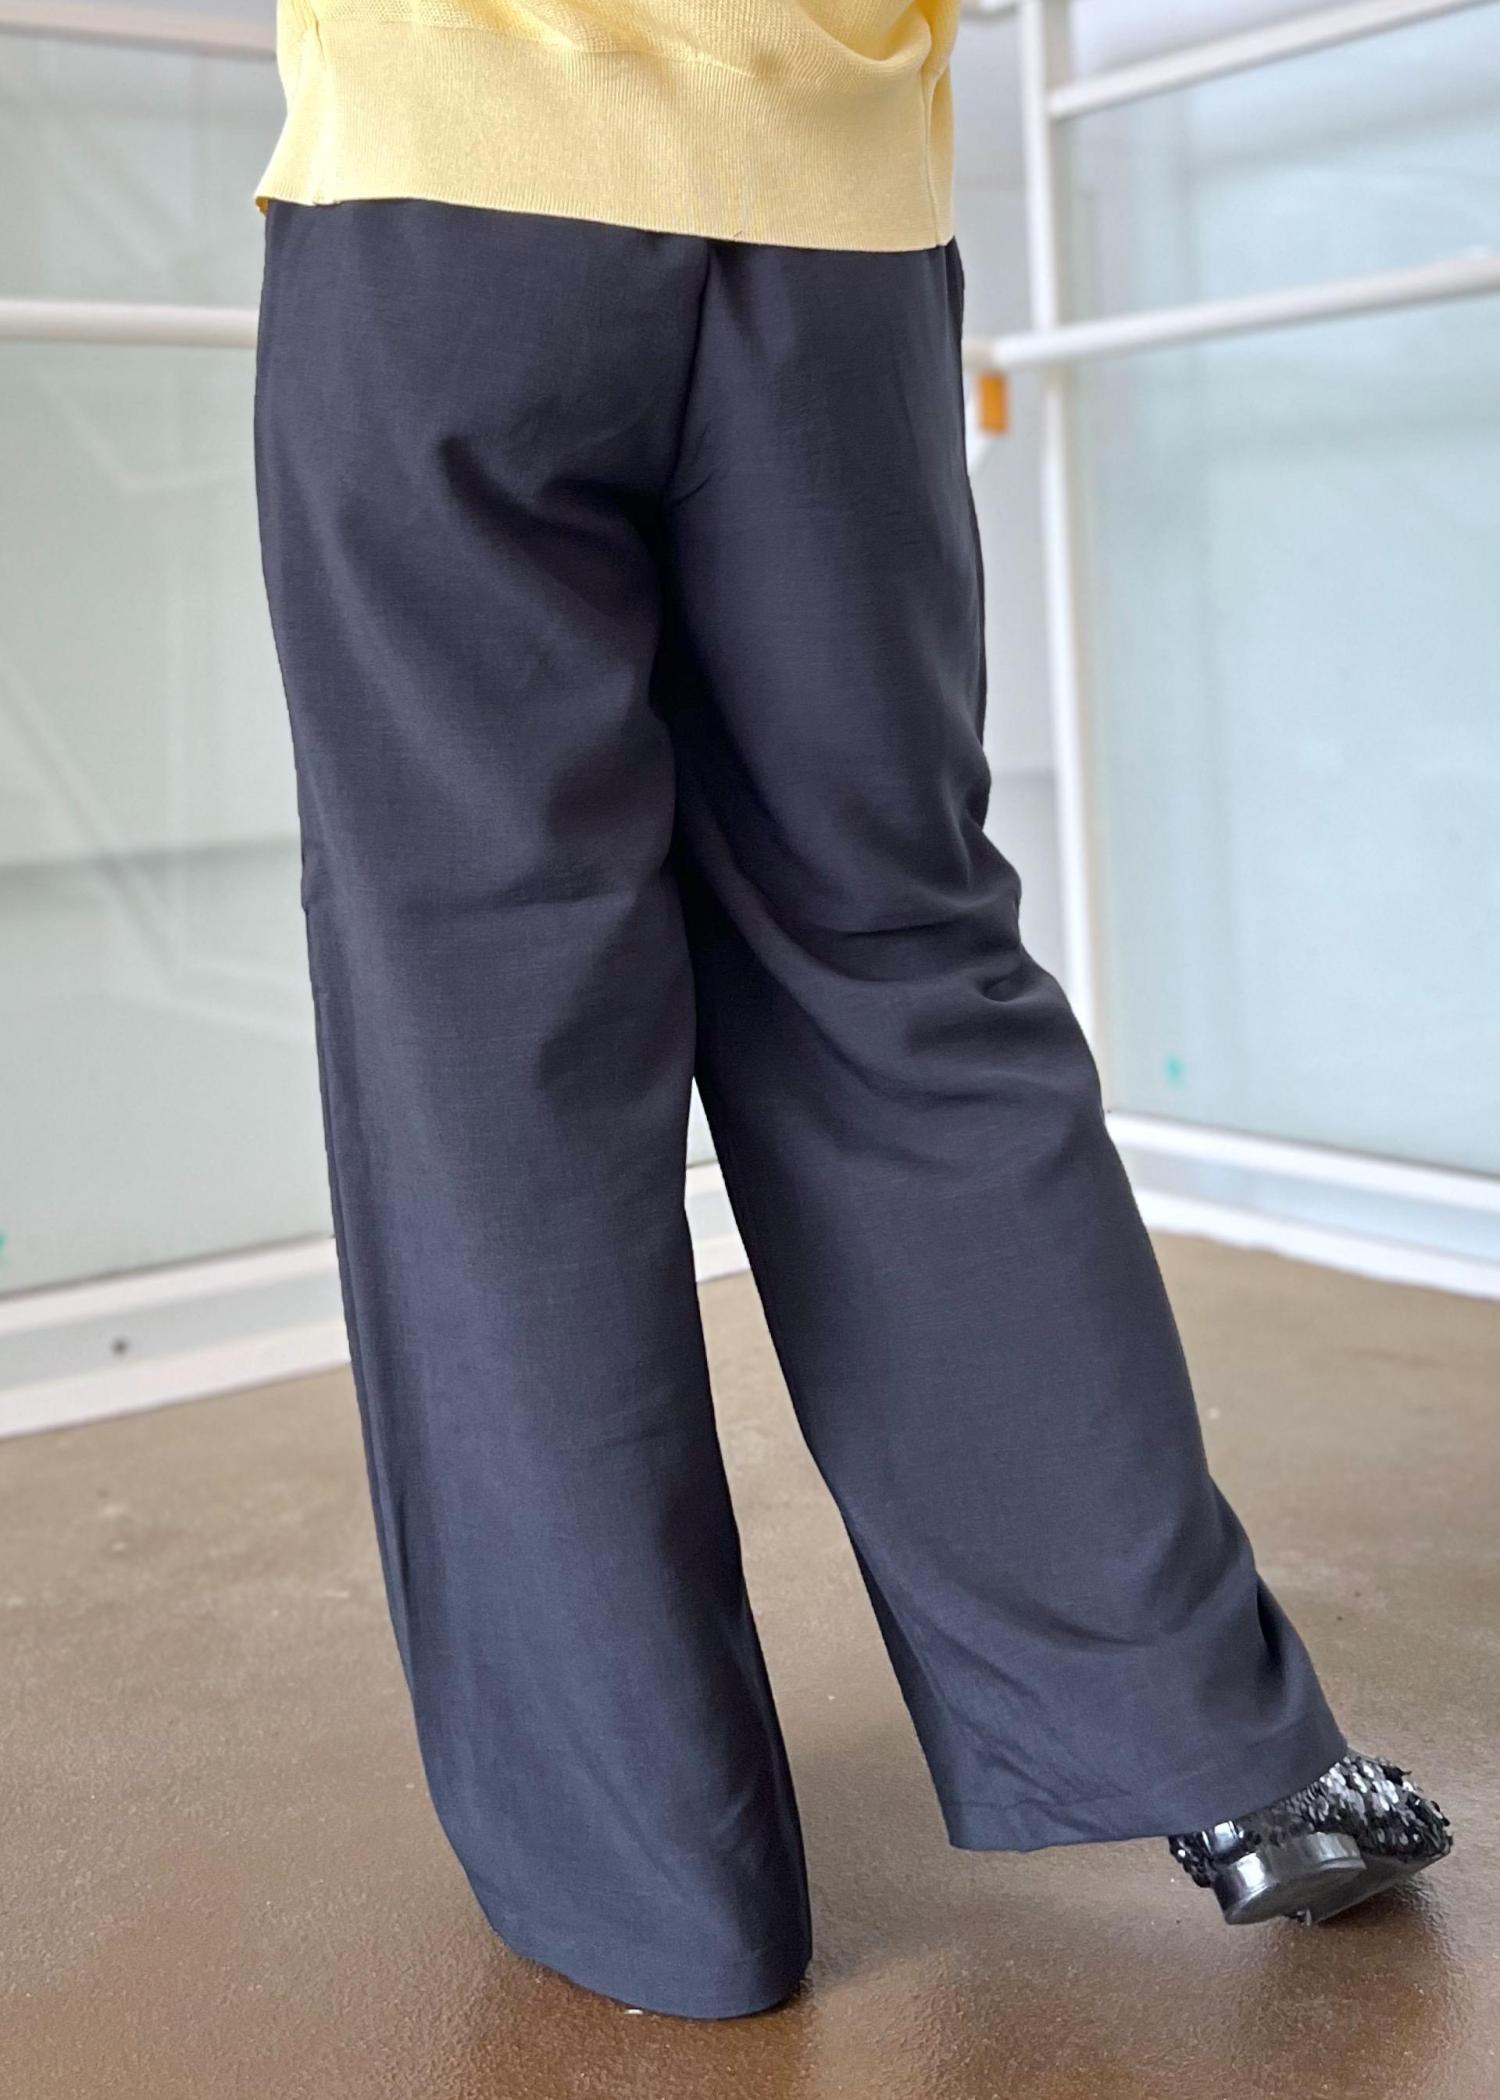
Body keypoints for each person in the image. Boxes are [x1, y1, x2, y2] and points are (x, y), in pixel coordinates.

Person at [250, 0, 1450, 2022]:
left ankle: (658, 1891)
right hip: (834, 254)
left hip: (438, 208)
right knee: (904, 965)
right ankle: (1229, 1755)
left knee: (487, 1038)